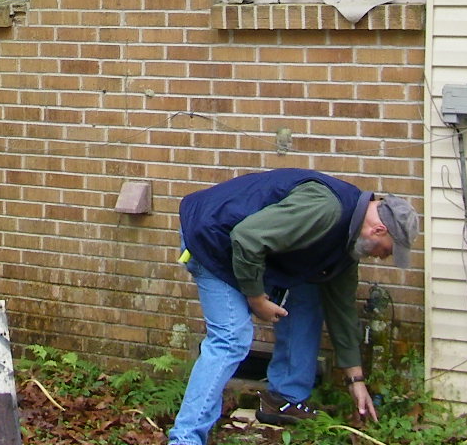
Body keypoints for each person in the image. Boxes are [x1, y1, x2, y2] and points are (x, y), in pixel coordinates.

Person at [167, 168, 418, 444]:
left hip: (244, 247)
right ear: (378, 230)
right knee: (231, 338)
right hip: (211, 237)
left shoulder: (347, 242)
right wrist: (257, 299)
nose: (382, 258)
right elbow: (247, 238)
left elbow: (342, 309)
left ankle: (284, 399)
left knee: (308, 294)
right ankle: (186, 437)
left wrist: (355, 380)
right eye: (387, 250)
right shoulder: (326, 210)